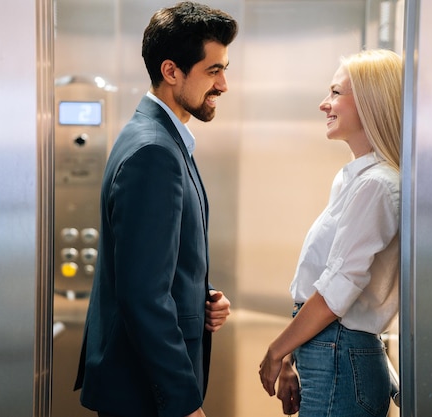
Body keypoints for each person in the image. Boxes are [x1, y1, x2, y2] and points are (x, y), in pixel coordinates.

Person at [74, 3, 238, 417]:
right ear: (171, 72)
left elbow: (157, 263)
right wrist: (183, 403)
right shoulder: (154, 151)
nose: (223, 85)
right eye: (213, 70)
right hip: (143, 393)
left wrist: (200, 295)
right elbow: (143, 294)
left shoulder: (159, 138)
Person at [258, 49, 402, 417]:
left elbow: (337, 291)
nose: (325, 104)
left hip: (337, 350)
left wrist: (277, 350)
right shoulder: (353, 180)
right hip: (328, 348)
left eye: (336, 93)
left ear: (372, 101)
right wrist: (294, 351)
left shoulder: (377, 186)